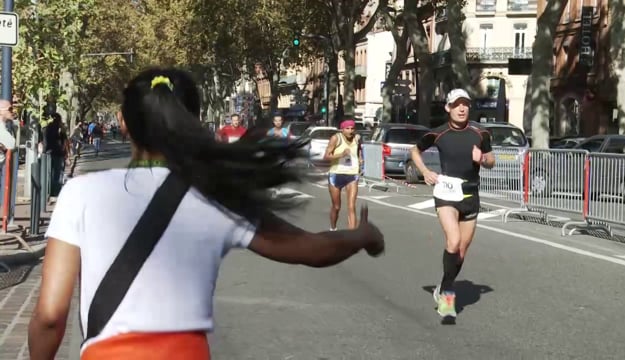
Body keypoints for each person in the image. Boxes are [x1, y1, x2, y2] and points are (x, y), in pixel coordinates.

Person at [28, 68, 385, 360]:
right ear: (194, 121)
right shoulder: (218, 195)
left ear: (125, 124)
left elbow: (49, 317)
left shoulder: (81, 192)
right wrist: (362, 236)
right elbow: (312, 249)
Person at [410, 89, 495, 319]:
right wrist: (425, 171)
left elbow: (491, 160)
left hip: (470, 194)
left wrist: (483, 159)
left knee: (461, 251)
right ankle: (447, 297)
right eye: (457, 104)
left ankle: (442, 285)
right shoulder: (439, 133)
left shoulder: (480, 132)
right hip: (447, 193)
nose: (462, 108)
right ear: (448, 107)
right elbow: (415, 150)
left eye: (465, 104)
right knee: (453, 240)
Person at [323, 119, 362, 231]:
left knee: (351, 207)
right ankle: (333, 228)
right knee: (337, 207)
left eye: (352, 128)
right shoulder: (336, 138)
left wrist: (360, 158)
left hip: (352, 174)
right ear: (342, 129)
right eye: (347, 128)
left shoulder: (357, 138)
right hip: (336, 174)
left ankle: (352, 236)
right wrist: (341, 154)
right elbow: (326, 156)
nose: (350, 131)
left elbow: (358, 150)